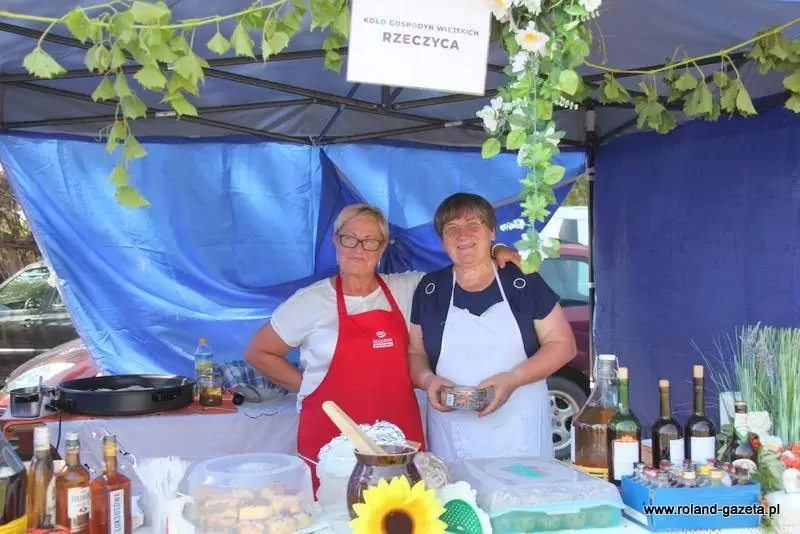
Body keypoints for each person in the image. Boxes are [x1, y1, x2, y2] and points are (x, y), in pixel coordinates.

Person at [245, 203, 521, 490]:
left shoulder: (408, 288)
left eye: (370, 241)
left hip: (398, 441)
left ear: (382, 248)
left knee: (401, 508)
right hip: (333, 440)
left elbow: (466, 267)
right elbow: (258, 352)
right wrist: (311, 390)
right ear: (336, 242)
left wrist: (496, 250)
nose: (358, 249)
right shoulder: (309, 301)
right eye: (349, 238)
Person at [408, 193, 577, 462]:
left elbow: (563, 344)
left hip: (521, 431)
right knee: (456, 489)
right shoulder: (430, 288)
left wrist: (513, 379)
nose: (463, 235)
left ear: (492, 232)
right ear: (442, 240)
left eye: (473, 224)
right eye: (452, 228)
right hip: (452, 436)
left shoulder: (522, 281)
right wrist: (428, 381)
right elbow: (416, 352)